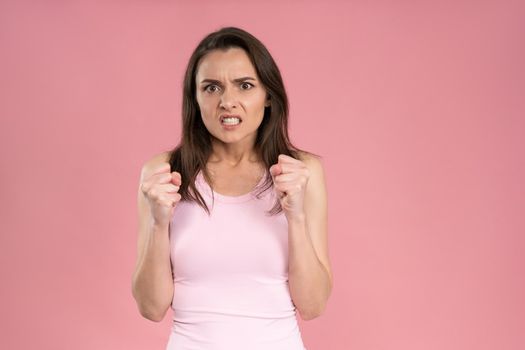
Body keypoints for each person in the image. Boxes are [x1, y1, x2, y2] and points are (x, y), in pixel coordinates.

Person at [131, 26, 333, 350]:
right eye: (211, 88)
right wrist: (158, 222)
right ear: (195, 98)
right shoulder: (163, 173)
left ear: (268, 95)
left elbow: (313, 305)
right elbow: (151, 307)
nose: (228, 102)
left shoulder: (302, 172)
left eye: (245, 85)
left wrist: (295, 215)